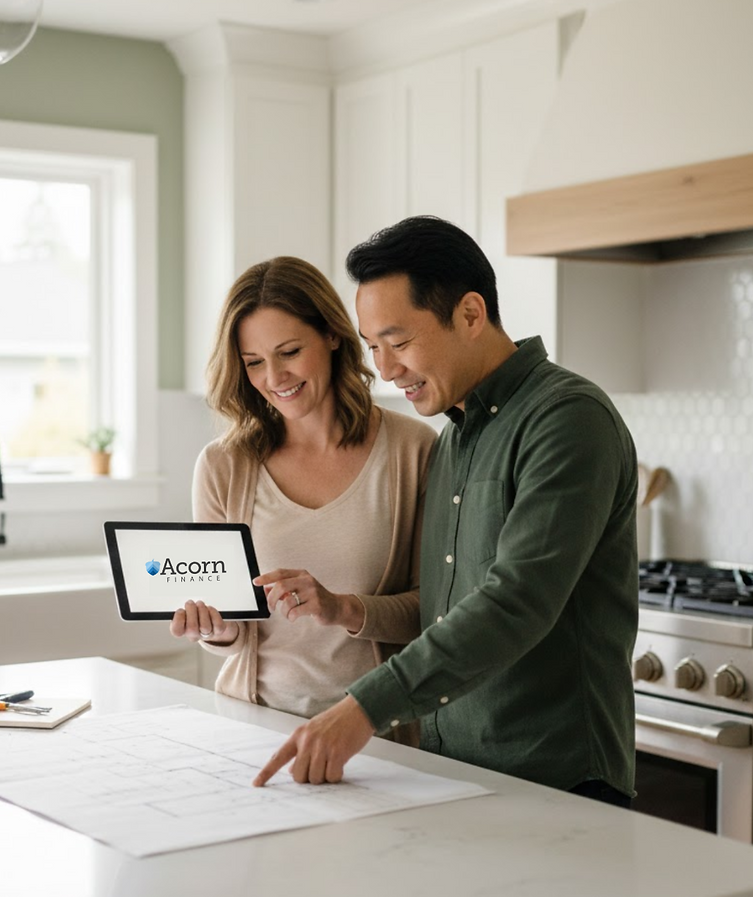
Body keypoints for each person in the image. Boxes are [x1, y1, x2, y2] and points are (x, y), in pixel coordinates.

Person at [254, 217, 638, 808]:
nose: (384, 368)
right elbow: (439, 609)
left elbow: (517, 601)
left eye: (399, 342)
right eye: (372, 346)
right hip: (453, 772)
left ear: (470, 314)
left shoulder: (567, 419)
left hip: (554, 781)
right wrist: (343, 609)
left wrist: (364, 706)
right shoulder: (455, 436)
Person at [170, 256, 436, 737]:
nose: (274, 378)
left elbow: (434, 612)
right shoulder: (222, 466)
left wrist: (341, 609)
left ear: (332, 334)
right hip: (252, 727)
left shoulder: (412, 451)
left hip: (380, 737)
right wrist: (216, 628)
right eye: (253, 363)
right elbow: (232, 630)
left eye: (289, 352)